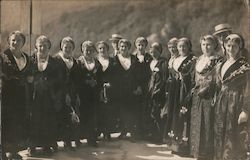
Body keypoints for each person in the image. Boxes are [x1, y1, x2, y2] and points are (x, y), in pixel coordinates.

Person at [214, 33, 250, 160]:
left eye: (234, 46)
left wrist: (245, 110)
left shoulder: (244, 65)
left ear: (240, 47)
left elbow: (248, 89)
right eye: (228, 46)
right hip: (223, 101)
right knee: (221, 133)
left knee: (234, 137)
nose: (230, 49)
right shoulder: (222, 63)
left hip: (236, 102)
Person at [1, 31, 32, 160]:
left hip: (21, 96)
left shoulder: (26, 57)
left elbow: (30, 74)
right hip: (7, 96)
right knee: (6, 123)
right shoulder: (3, 57)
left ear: (23, 43)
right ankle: (3, 153)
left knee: (18, 123)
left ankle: (14, 151)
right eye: (13, 40)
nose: (15, 43)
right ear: (9, 41)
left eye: (18, 40)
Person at [190, 35, 221, 159]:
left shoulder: (218, 60)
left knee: (208, 122)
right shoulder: (199, 59)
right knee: (197, 121)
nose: (206, 47)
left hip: (210, 95)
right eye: (203, 44)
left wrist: (208, 88)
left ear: (214, 45)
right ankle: (197, 152)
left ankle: (208, 154)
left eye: (208, 44)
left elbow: (218, 80)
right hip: (198, 96)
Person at [29, 35, 60, 156]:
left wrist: (49, 83)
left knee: (48, 120)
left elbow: (58, 79)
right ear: (36, 47)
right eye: (40, 46)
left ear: (49, 48)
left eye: (45, 46)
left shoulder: (54, 62)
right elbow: (27, 76)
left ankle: (47, 146)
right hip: (34, 95)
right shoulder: (31, 60)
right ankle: (32, 146)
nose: (42, 48)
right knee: (34, 120)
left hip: (49, 95)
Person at [169, 37, 196, 156]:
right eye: (180, 46)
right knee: (175, 114)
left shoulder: (192, 60)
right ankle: (175, 145)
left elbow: (192, 76)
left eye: (184, 46)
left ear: (189, 47)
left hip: (185, 90)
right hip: (175, 90)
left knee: (184, 115)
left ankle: (185, 146)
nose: (182, 48)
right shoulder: (175, 59)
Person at [54, 37, 81, 149]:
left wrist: (77, 94)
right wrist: (64, 94)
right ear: (61, 47)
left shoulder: (74, 62)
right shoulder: (56, 60)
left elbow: (77, 79)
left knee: (72, 115)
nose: (68, 49)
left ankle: (71, 140)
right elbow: (57, 79)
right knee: (62, 115)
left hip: (73, 92)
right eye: (66, 47)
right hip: (60, 92)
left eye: (70, 47)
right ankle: (64, 140)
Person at [114, 38, 139, 141]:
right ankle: (123, 131)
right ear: (119, 48)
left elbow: (138, 75)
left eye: (126, 47)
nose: (123, 48)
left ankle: (133, 132)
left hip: (131, 89)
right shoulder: (115, 59)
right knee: (121, 111)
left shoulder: (134, 59)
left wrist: (138, 86)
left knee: (132, 111)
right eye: (122, 46)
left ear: (129, 48)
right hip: (119, 89)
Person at [77, 40, 101, 147]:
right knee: (82, 114)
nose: (89, 52)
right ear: (82, 50)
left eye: (91, 50)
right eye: (87, 50)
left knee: (92, 115)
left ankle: (91, 138)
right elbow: (75, 78)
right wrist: (85, 82)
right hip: (82, 93)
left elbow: (101, 77)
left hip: (94, 93)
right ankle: (78, 138)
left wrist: (96, 82)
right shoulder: (78, 62)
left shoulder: (97, 63)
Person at [96, 41, 117, 141]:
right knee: (100, 110)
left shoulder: (112, 60)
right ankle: (99, 131)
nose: (102, 50)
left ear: (107, 49)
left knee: (109, 110)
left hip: (110, 89)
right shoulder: (95, 60)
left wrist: (111, 83)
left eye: (104, 48)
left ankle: (107, 132)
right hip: (98, 88)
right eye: (100, 48)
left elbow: (116, 74)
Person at [147, 42, 168, 143]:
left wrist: (159, 90)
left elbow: (164, 78)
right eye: (151, 52)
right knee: (152, 113)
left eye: (155, 52)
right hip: (151, 91)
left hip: (159, 92)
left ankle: (160, 136)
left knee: (158, 113)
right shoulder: (151, 62)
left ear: (160, 52)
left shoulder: (163, 62)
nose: (153, 54)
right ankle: (154, 134)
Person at [133, 37, 152, 139]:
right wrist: (136, 87)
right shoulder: (133, 58)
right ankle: (136, 133)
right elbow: (131, 74)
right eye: (138, 45)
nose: (140, 47)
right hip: (136, 87)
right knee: (135, 109)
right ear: (136, 45)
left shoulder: (149, 58)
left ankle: (145, 132)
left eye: (142, 45)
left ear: (145, 46)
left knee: (145, 109)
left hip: (146, 86)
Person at [163, 37, 179, 143]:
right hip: (169, 86)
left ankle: (174, 135)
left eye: (174, 47)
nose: (172, 49)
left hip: (177, 86)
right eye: (170, 47)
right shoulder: (169, 58)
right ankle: (167, 135)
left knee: (175, 110)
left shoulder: (179, 58)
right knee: (168, 111)